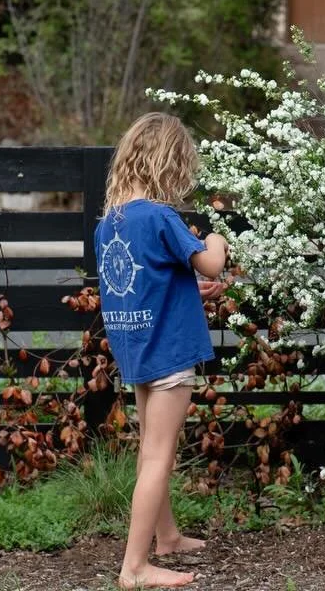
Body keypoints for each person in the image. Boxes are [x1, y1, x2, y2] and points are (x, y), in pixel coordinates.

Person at [95, 112, 229, 589]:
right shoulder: (161, 216)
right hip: (169, 352)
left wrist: (189, 287)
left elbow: (145, 282)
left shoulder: (109, 224)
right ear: (167, 165)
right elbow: (211, 264)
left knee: (150, 448)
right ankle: (134, 567)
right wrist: (216, 239)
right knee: (158, 456)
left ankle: (166, 536)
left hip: (136, 350)